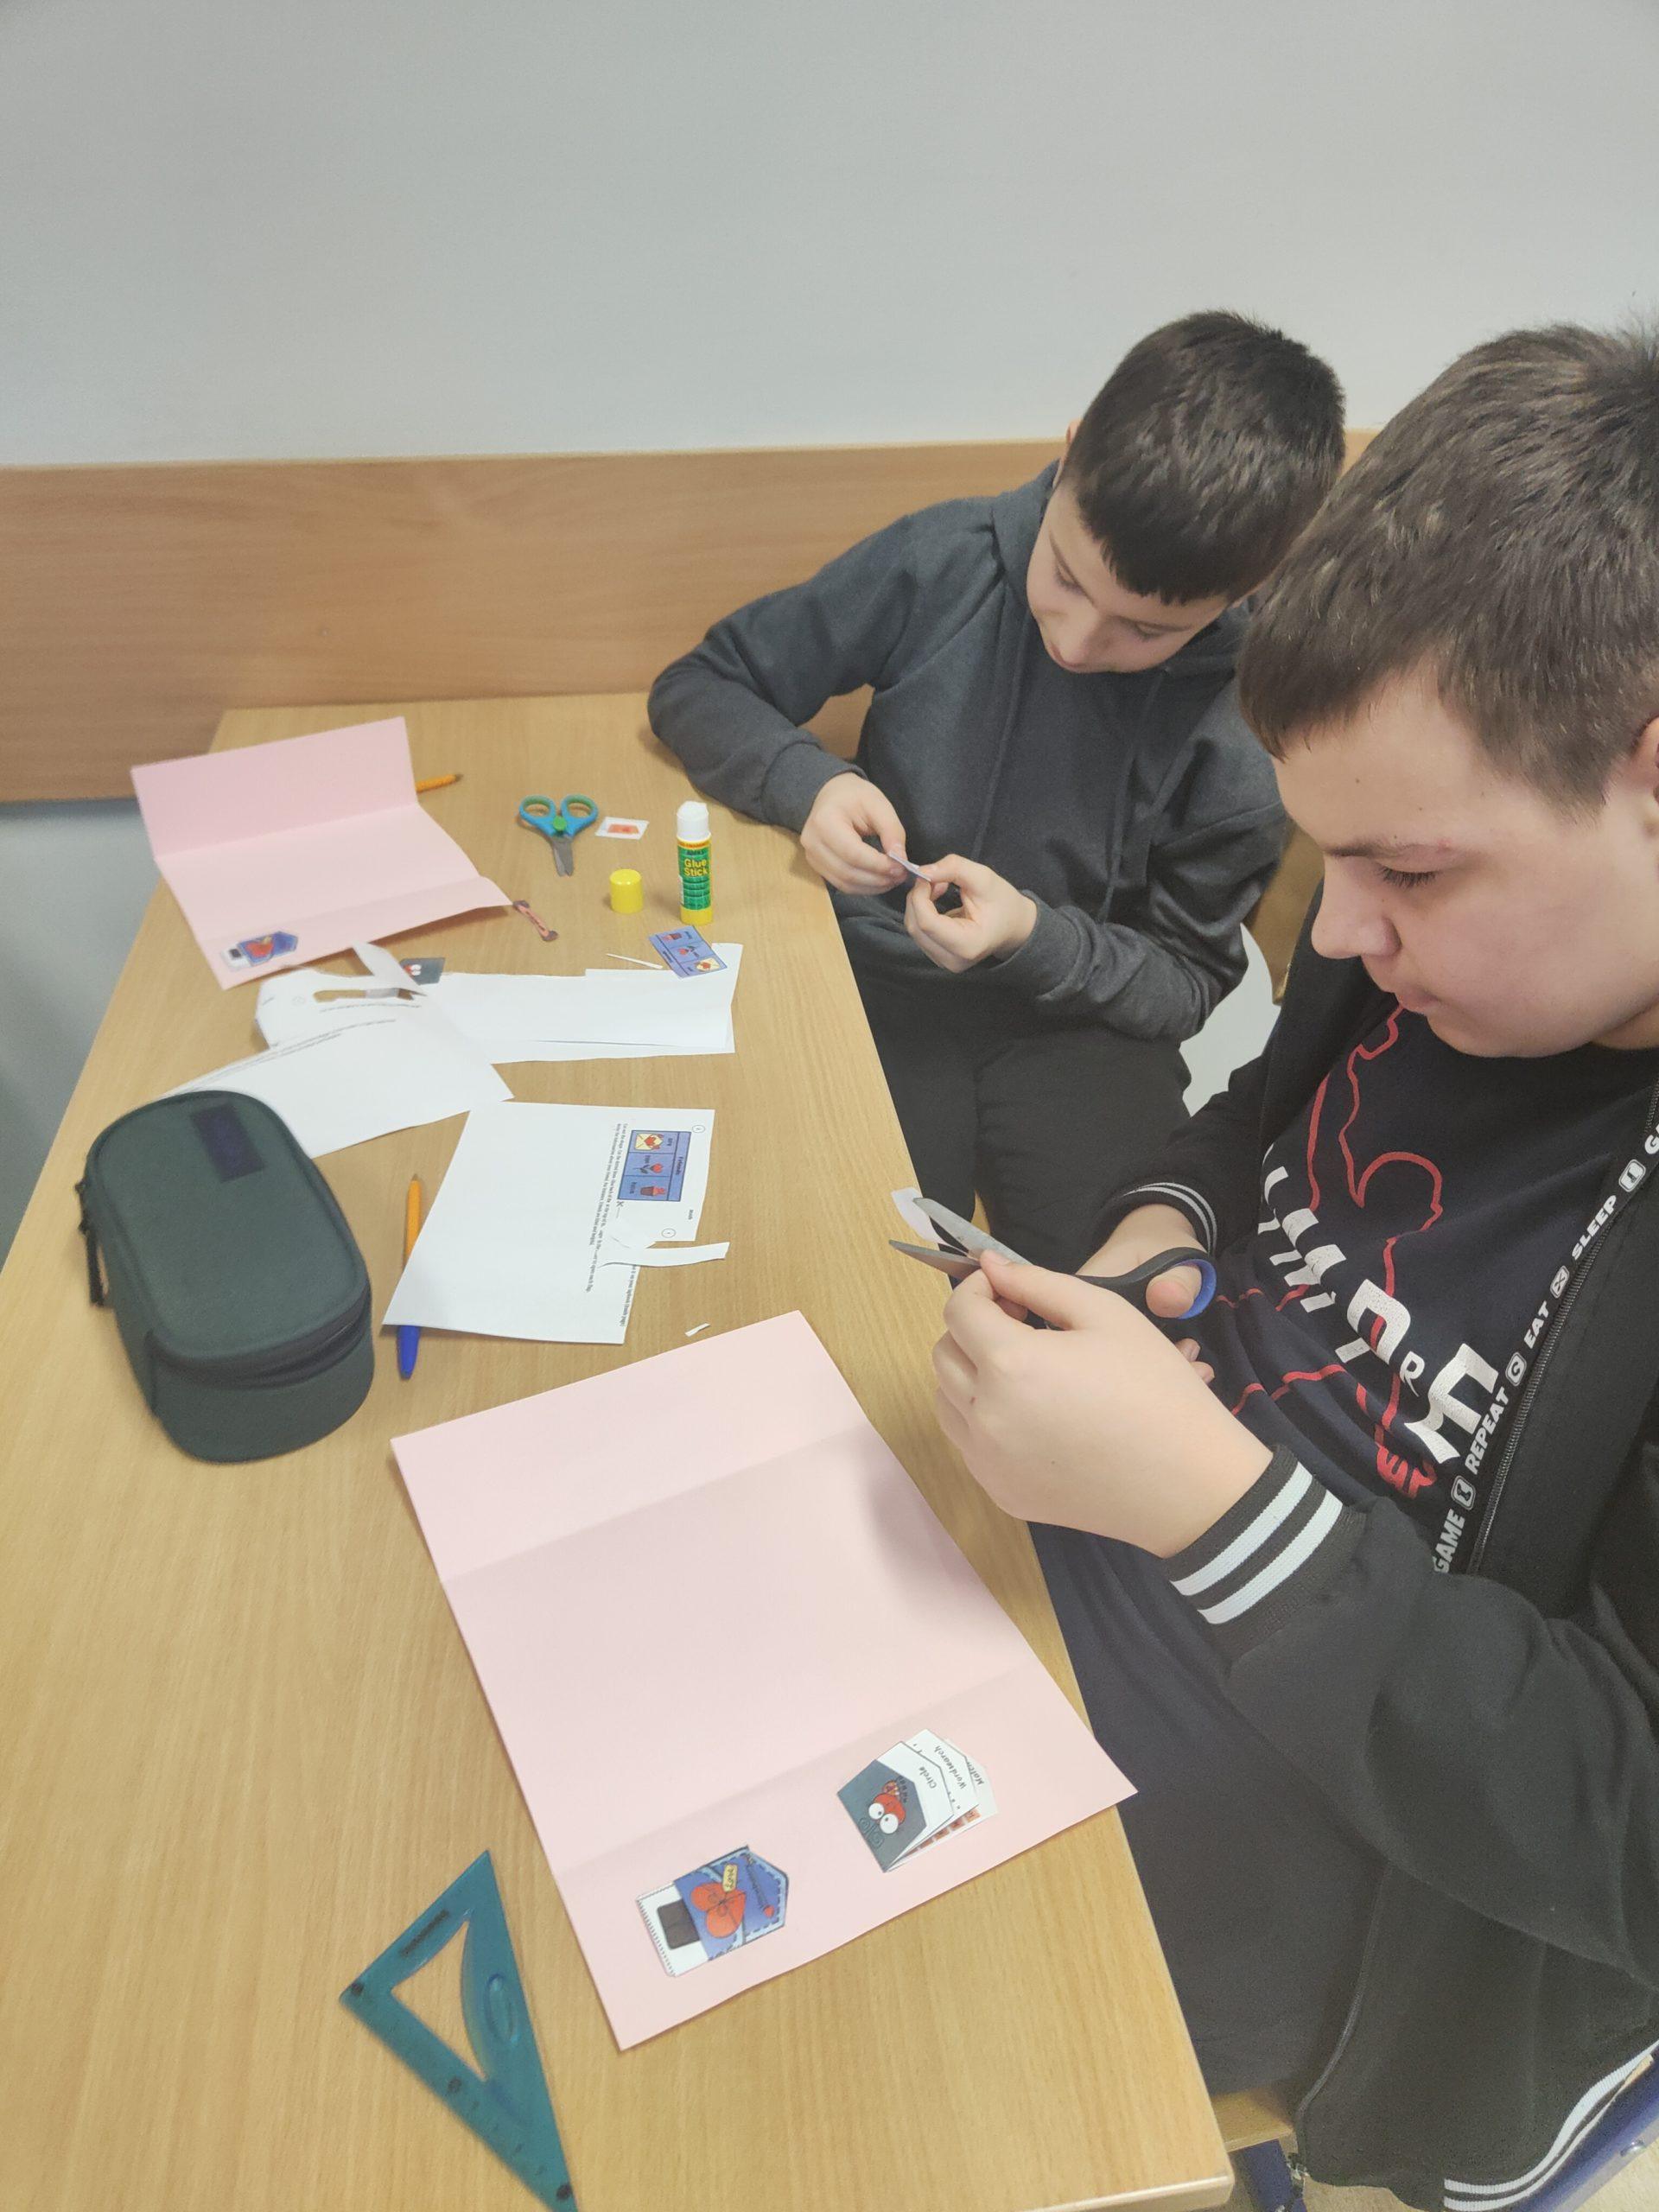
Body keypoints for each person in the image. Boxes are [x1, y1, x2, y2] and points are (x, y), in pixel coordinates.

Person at [929, 322, 1659, 2209]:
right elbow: (1260, 1113)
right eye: (1327, 862)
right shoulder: (1420, 950)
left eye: (1407, 872)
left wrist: (1206, 1501)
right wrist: (1161, 1230)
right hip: (1116, 1566)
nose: (1333, 934)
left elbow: (1625, 1823)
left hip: (1391, 1891)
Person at [650, 313, 1344, 1265]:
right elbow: (700, 685)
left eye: (1146, 630)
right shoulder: (943, 560)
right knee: (852, 1261)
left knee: (1123, 1292)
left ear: (1249, 587)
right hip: (878, 986)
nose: (1078, 643)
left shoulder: (1253, 717)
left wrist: (1030, 936)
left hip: (1084, 1027)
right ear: (1070, 455)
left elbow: (1183, 981)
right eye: (1067, 577)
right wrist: (810, 787)